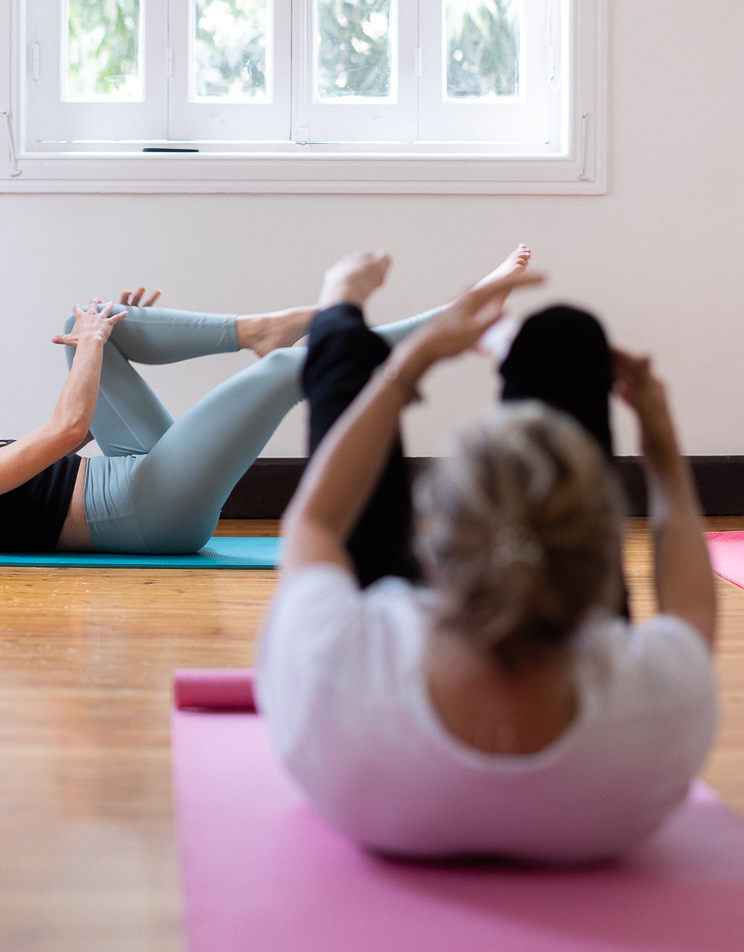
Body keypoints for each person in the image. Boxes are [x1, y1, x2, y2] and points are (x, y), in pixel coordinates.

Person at [255, 254, 719, 864]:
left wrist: (409, 366)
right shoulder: (658, 702)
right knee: (568, 335)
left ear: (435, 554)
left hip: (385, 686)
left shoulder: (337, 660)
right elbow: (690, 607)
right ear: (600, 557)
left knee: (349, 372)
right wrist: (662, 450)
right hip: (570, 657)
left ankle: (341, 302)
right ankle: (517, 347)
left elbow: (315, 520)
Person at [0, 247, 533, 556]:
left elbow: (78, 431)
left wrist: (106, 339)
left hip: (136, 473)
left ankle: (257, 328)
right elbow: (70, 428)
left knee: (92, 320)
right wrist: (95, 344)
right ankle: (453, 319)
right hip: (150, 511)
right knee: (283, 369)